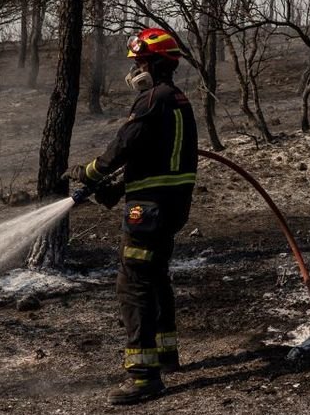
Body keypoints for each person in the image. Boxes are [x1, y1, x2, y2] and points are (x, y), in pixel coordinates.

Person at [64, 27, 198, 405]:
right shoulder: (177, 99)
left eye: (139, 62)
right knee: (155, 279)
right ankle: (167, 356)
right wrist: (117, 189)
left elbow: (123, 146)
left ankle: (143, 378)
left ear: (156, 64)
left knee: (133, 285)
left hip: (149, 210)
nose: (134, 69)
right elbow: (152, 158)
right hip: (168, 205)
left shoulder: (151, 100)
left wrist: (90, 172)